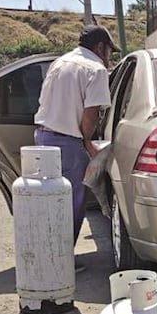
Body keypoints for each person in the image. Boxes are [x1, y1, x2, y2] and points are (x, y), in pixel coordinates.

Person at [33, 25, 117, 265]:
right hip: (69, 144)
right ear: (100, 47)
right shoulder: (96, 69)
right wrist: (87, 142)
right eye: (109, 51)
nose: (109, 58)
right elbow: (90, 114)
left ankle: (46, 255)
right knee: (71, 204)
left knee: (48, 201)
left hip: (42, 138)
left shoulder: (59, 63)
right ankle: (61, 261)